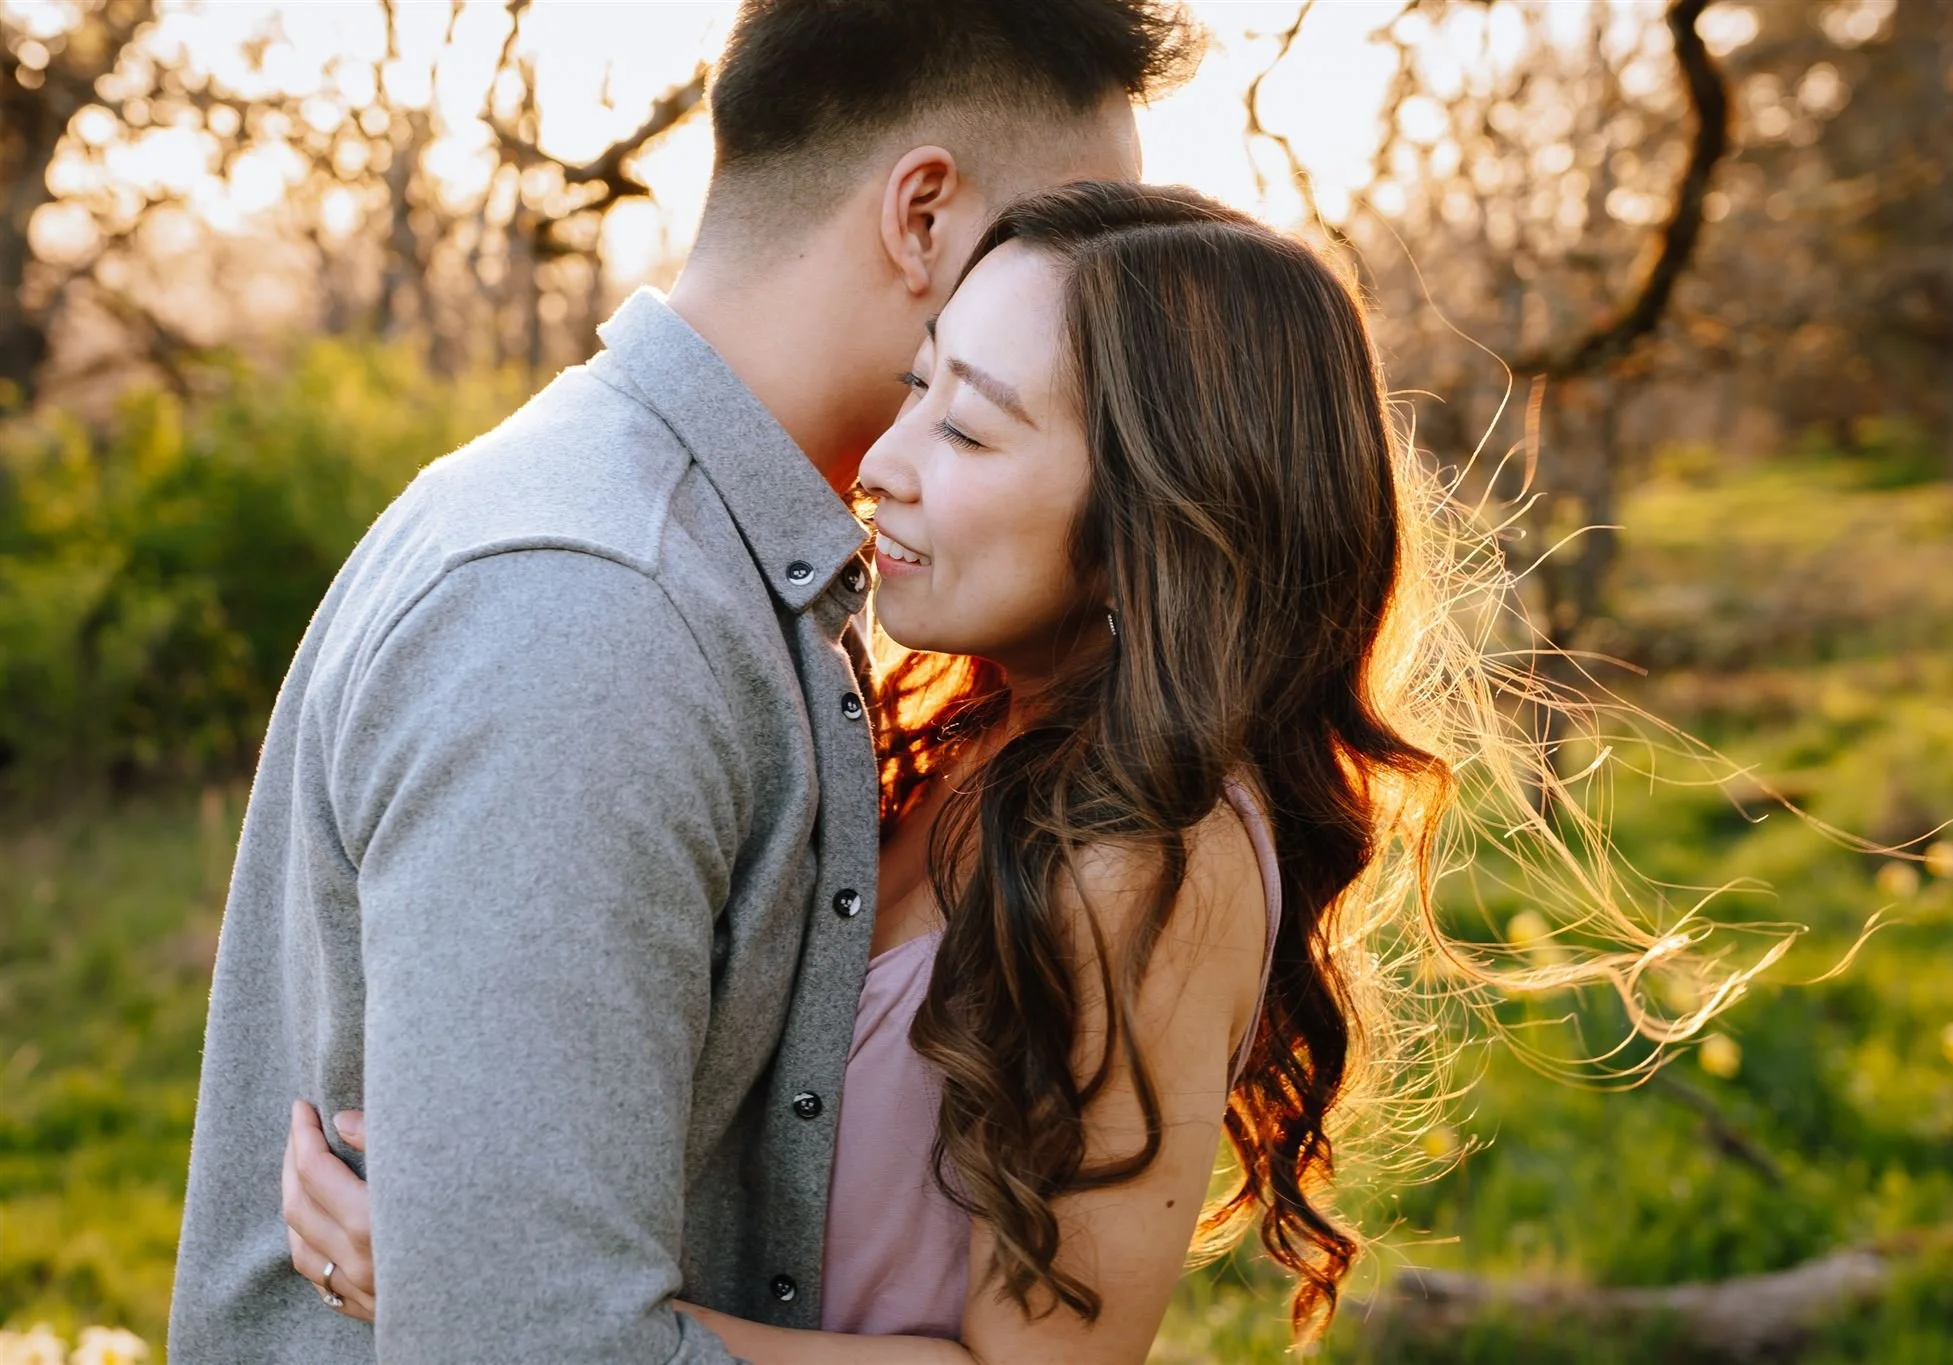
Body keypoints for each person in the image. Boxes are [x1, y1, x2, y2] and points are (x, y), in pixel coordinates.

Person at [285, 181, 1770, 1361]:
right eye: (919, 384)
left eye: (973, 425)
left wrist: (498, 1308)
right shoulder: (943, 721)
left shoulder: (1156, 860)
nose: (887, 461)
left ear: (1158, 518)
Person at [166, 4, 1199, 1362]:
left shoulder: (741, 573)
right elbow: (529, 1345)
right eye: (1048, 243)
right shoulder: (593, 606)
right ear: (927, 218)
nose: (1089, 302)